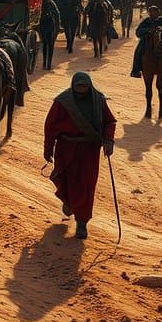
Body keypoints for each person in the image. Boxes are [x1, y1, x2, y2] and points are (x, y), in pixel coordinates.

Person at [43, 72, 116, 239]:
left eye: (84, 87)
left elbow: (109, 122)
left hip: (89, 151)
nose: (81, 90)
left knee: (86, 186)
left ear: (89, 86)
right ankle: (68, 201)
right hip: (66, 149)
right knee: (66, 181)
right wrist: (48, 150)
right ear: (73, 86)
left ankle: (82, 223)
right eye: (79, 87)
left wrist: (109, 141)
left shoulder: (98, 100)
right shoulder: (62, 102)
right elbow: (50, 127)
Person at [131, 5, 162, 80]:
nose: (153, 15)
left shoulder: (161, 21)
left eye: (155, 13)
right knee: (138, 50)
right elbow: (138, 32)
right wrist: (148, 30)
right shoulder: (146, 21)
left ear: (158, 13)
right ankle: (136, 70)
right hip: (147, 40)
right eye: (151, 13)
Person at [39, 0, 61, 69]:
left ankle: (48, 63)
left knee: (49, 45)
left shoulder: (51, 4)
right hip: (45, 26)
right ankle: (45, 63)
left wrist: (57, 26)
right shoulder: (42, 4)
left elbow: (57, 14)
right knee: (46, 45)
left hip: (50, 27)